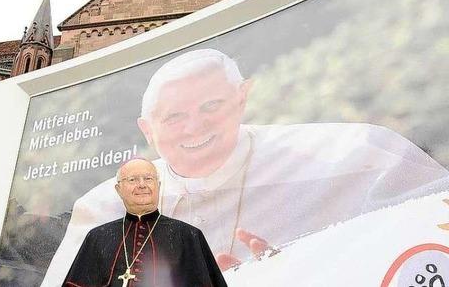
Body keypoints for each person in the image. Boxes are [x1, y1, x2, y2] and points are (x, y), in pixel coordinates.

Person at [43, 49, 449, 285]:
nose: (194, 127)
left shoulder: (354, 153)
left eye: (211, 106)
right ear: (147, 131)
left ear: (242, 98)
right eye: (173, 117)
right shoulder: (103, 207)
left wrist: (300, 269)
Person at [63, 158, 227, 287]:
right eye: (133, 179)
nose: (142, 185)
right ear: (119, 190)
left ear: (158, 186)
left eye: (148, 178)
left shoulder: (188, 236)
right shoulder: (97, 237)